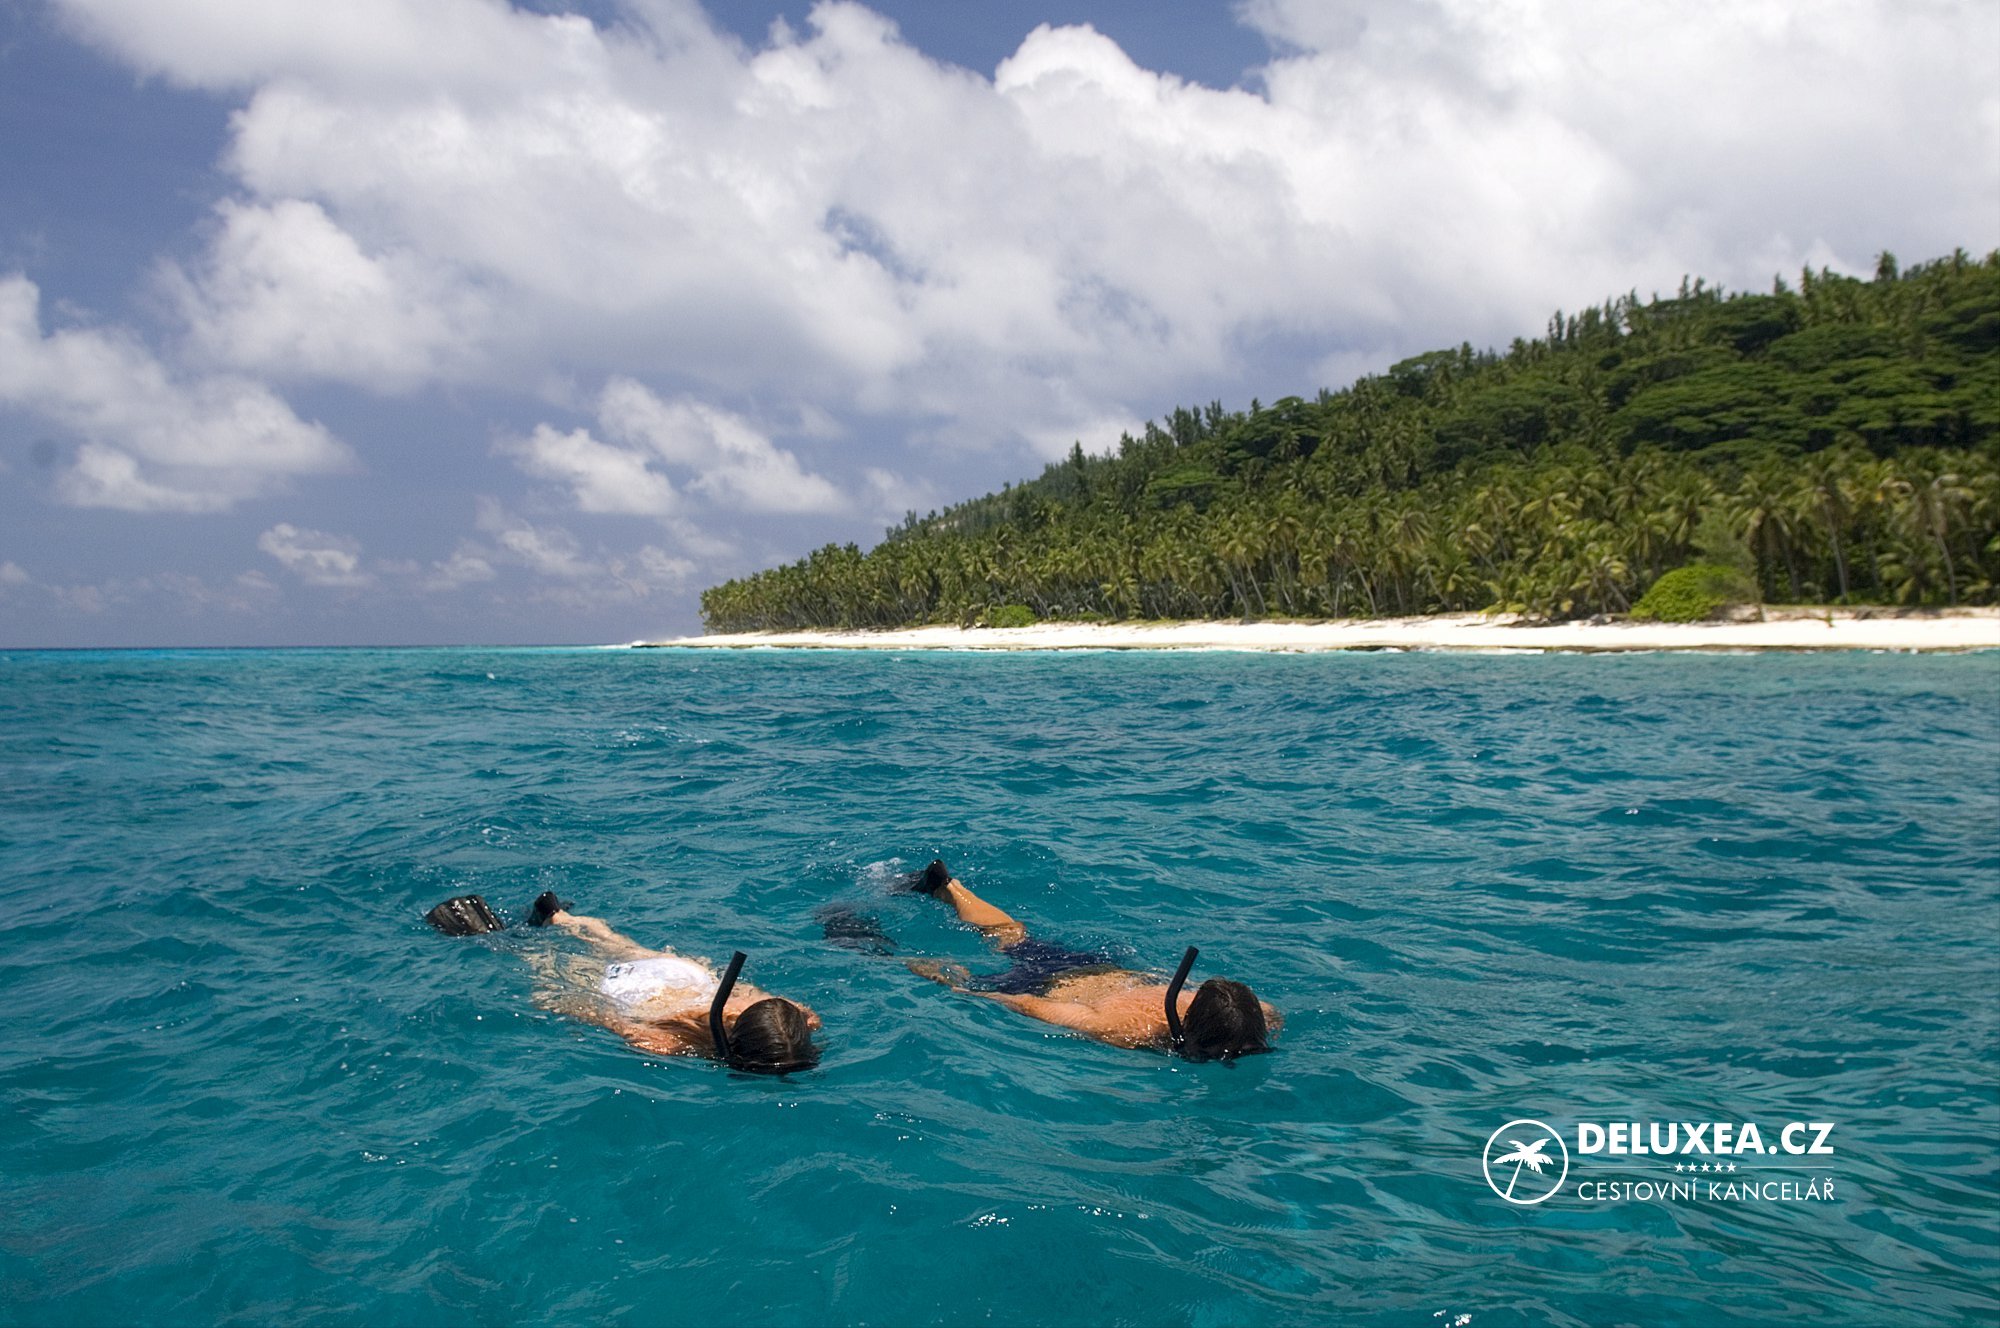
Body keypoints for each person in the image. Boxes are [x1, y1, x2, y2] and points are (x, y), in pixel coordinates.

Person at [898, 861, 1279, 1060]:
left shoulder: (1251, 1013)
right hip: (1047, 986)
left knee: (1012, 934)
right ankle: (894, 953)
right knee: (961, 972)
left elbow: (1263, 1012)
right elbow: (1031, 1005)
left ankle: (951, 887)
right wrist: (965, 989)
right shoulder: (1122, 1029)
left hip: (1102, 969)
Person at [525, 892, 821, 1074]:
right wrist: (566, 1005)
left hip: (686, 975)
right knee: (551, 976)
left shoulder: (795, 1017)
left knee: (613, 942)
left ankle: (559, 916)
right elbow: (610, 1019)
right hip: (634, 990)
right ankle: (523, 947)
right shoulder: (668, 1041)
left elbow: (802, 1015)